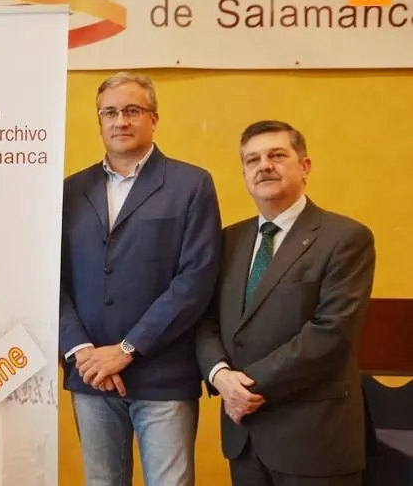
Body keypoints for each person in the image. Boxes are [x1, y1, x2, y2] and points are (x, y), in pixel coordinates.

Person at [59, 72, 222, 486]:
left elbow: (195, 280)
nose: (121, 121)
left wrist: (127, 349)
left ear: (154, 119)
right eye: (110, 112)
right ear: (99, 121)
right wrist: (82, 352)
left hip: (162, 375)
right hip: (91, 375)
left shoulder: (191, 185)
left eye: (132, 110)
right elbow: (53, 279)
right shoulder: (70, 190)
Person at [196, 120, 375, 486]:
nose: (264, 166)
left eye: (277, 155)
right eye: (252, 159)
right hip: (245, 438)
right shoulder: (228, 241)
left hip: (313, 439)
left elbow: (331, 332)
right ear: (244, 173)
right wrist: (219, 376)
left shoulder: (346, 238)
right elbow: (205, 319)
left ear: (304, 166)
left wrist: (245, 387)